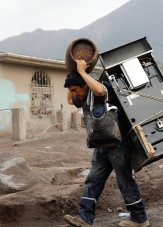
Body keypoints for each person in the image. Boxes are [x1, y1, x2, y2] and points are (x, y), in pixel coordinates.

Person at [63, 59, 149, 227]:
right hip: (101, 146)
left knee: (124, 180)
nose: (74, 94)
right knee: (93, 179)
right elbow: (69, 101)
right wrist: (71, 74)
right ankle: (84, 218)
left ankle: (139, 218)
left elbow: (100, 90)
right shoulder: (83, 98)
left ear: (84, 84)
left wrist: (82, 73)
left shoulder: (101, 89)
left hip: (118, 144)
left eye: (75, 89)